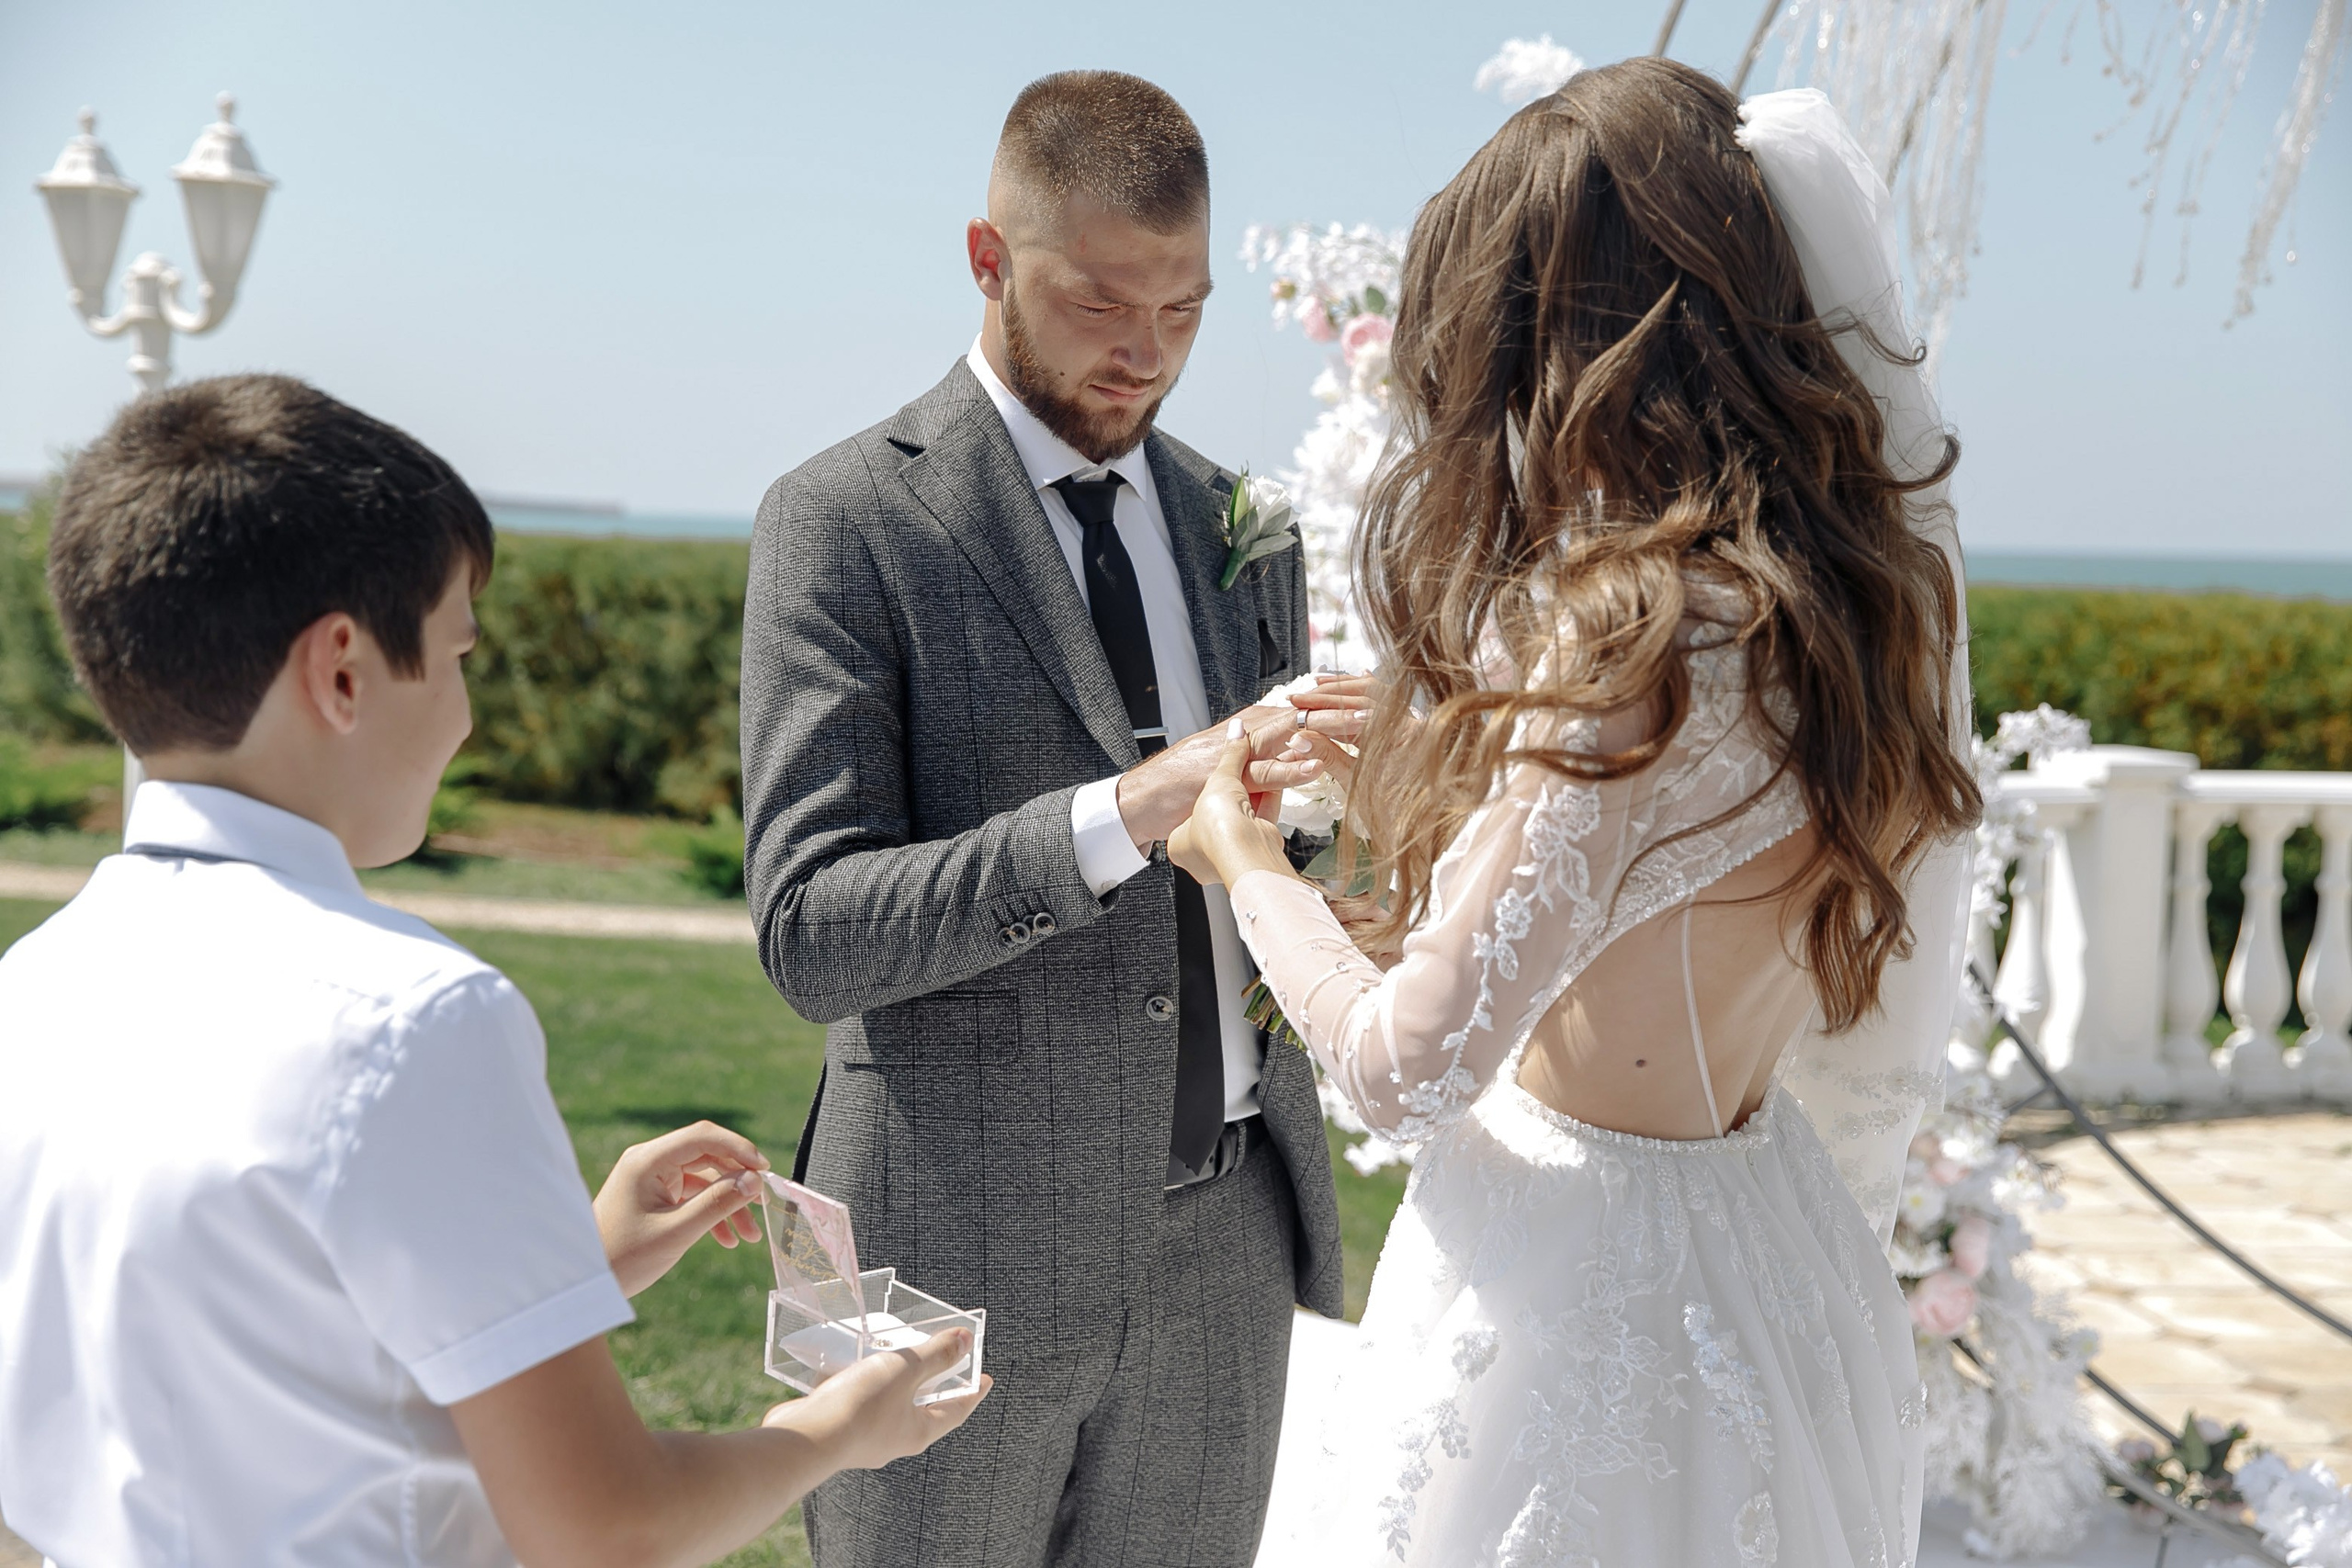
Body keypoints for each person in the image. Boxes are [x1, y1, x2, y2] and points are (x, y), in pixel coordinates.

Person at [1172, 63, 1982, 1567]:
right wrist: (1441, 757)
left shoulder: (1618, 654)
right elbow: (1674, 861)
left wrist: (1241, 860)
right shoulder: (1846, 611)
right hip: (1771, 1255)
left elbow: (1408, 1069)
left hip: (1578, 1303)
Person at [0, 374, 987, 1568]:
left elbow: (224, 1332)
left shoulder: (34, 990)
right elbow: (609, 1528)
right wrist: (835, 1430)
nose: (465, 716)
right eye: (456, 654)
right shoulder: (410, 1019)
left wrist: (571, 1263)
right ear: (343, 670)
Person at [741, 70, 1348, 1568]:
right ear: (987, 258)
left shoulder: (1246, 526)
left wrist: (1340, 818)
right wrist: (1117, 814)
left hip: (1228, 1244)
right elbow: (812, 931)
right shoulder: (842, 520)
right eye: (1099, 304)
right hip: (941, 1249)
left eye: (1184, 312)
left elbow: (1271, 867)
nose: (1146, 354)